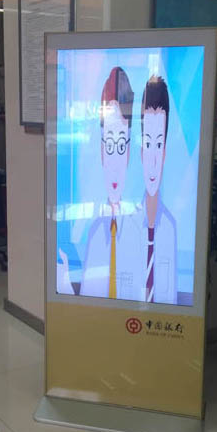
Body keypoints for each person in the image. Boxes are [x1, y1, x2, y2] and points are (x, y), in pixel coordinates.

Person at [57, 67, 145, 300]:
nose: (114, 163)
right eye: (108, 146)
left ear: (130, 151)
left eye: (121, 146)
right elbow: (87, 296)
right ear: (100, 150)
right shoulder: (95, 231)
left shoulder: (139, 228)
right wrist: (65, 279)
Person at [138, 76, 178, 304]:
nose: (153, 159)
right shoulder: (125, 225)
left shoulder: (170, 228)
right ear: (140, 150)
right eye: (147, 144)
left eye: (159, 144)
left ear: (165, 153)